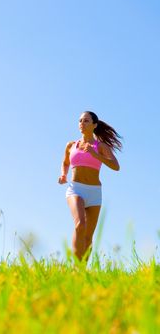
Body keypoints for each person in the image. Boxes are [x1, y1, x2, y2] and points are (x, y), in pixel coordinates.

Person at [58, 111, 122, 262]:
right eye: (80, 120)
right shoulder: (71, 145)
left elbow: (116, 166)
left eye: (86, 121)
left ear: (94, 125)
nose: (82, 123)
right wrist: (63, 175)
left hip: (94, 192)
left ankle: (82, 271)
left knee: (88, 237)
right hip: (75, 189)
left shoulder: (100, 146)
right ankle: (75, 267)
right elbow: (66, 163)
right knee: (80, 225)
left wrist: (95, 154)